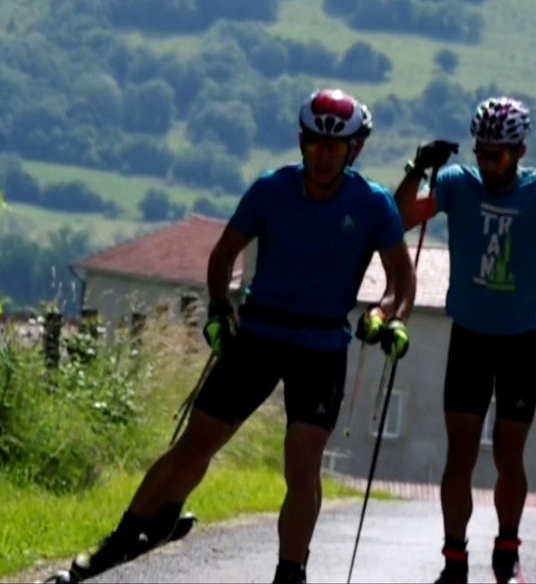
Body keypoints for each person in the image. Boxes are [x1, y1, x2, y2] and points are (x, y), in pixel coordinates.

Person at [67, 88, 416, 584]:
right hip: (259, 334)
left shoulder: (373, 203)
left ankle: (290, 573)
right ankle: (122, 539)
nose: (322, 157)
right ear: (302, 143)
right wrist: (217, 312)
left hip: (320, 349)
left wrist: (388, 315)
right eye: (315, 146)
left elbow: (402, 281)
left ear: (353, 151)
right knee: (195, 446)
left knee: (302, 463)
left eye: (334, 149)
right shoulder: (271, 189)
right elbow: (222, 255)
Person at [393, 96, 536, 584]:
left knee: (509, 454)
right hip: (470, 334)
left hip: (522, 340)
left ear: (521, 150)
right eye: (482, 153)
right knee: (460, 453)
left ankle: (506, 551)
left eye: (500, 155)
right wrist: (417, 168)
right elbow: (399, 218)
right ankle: (454, 560)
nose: (488, 164)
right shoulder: (455, 184)